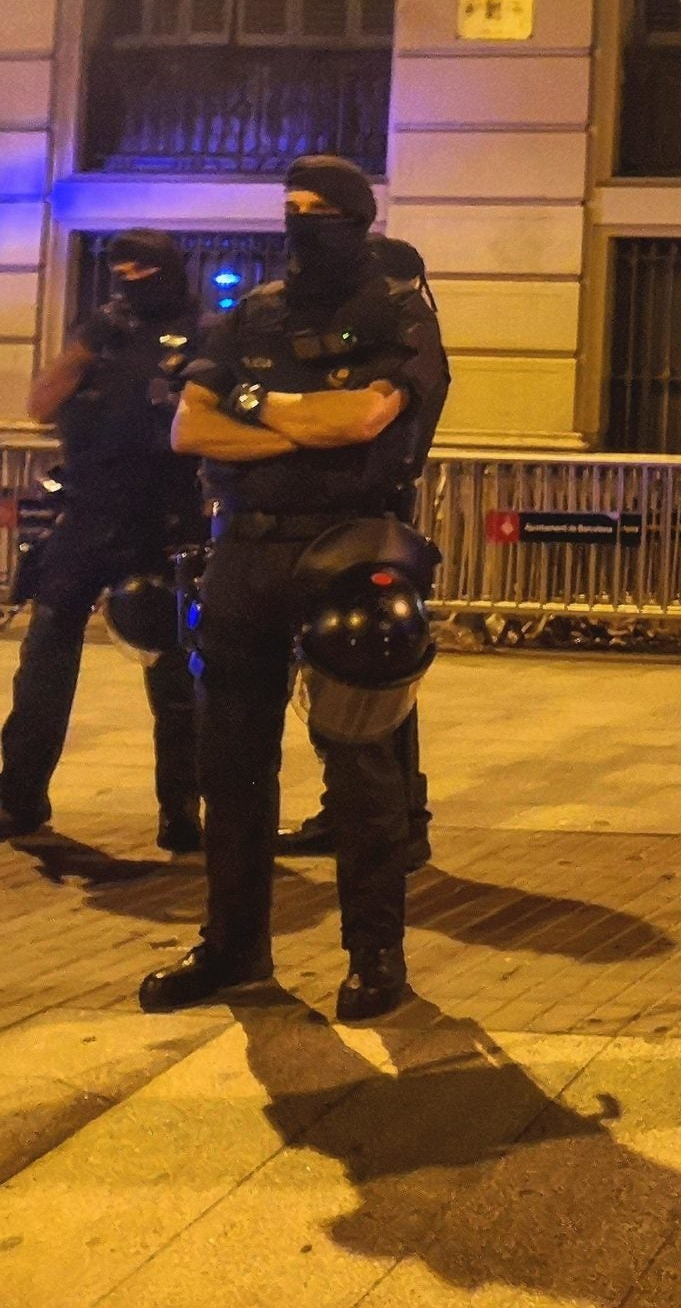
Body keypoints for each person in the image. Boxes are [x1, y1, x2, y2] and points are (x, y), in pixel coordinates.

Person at [139, 157, 450, 1024]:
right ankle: (233, 945)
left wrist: (255, 410)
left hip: (349, 551)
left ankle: (375, 956)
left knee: (360, 766)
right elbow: (190, 427)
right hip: (243, 553)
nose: (301, 222)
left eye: (320, 211)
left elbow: (361, 420)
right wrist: (294, 420)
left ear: (359, 219)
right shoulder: (256, 311)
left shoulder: (398, 314)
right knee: (230, 765)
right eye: (292, 208)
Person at [0, 231, 203, 851]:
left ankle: (180, 813)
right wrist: (85, 350)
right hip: (88, 516)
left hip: (165, 523)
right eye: (120, 268)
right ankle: (19, 796)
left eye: (143, 268)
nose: (129, 278)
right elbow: (41, 403)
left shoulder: (206, 334)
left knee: (172, 671)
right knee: (44, 661)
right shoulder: (104, 328)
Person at [275, 236, 438, 872]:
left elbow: (358, 423)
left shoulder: (404, 336)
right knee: (352, 673)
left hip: (367, 521)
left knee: (370, 670)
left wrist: (275, 412)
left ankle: (392, 823)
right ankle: (363, 814)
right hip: (355, 521)